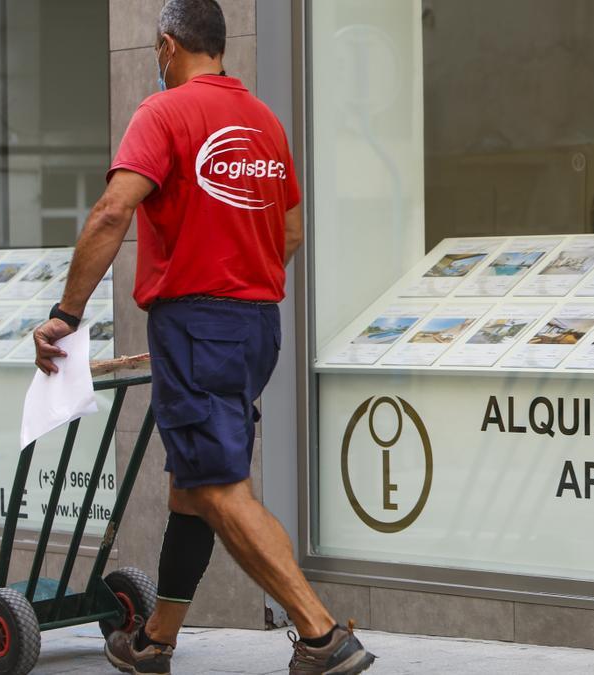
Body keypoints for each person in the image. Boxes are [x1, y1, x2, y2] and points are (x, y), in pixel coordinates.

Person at [29, 2, 375, 673]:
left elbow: (112, 212)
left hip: (198, 326)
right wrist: (240, 278)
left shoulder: (164, 113)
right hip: (254, 325)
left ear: (167, 46)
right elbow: (293, 232)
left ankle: (321, 632)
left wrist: (66, 315)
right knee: (192, 486)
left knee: (219, 486)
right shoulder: (265, 120)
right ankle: (155, 640)